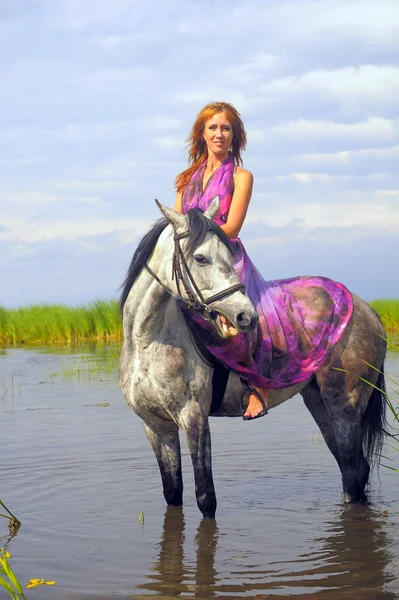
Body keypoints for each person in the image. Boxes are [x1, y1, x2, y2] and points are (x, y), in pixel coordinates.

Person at [174, 101, 269, 420]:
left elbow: (232, 227)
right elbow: (176, 222)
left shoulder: (242, 177)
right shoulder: (186, 178)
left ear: (235, 135)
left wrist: (195, 235)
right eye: (213, 128)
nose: (219, 134)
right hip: (190, 259)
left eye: (225, 128)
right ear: (202, 134)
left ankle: (256, 385)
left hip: (225, 256)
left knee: (240, 314)